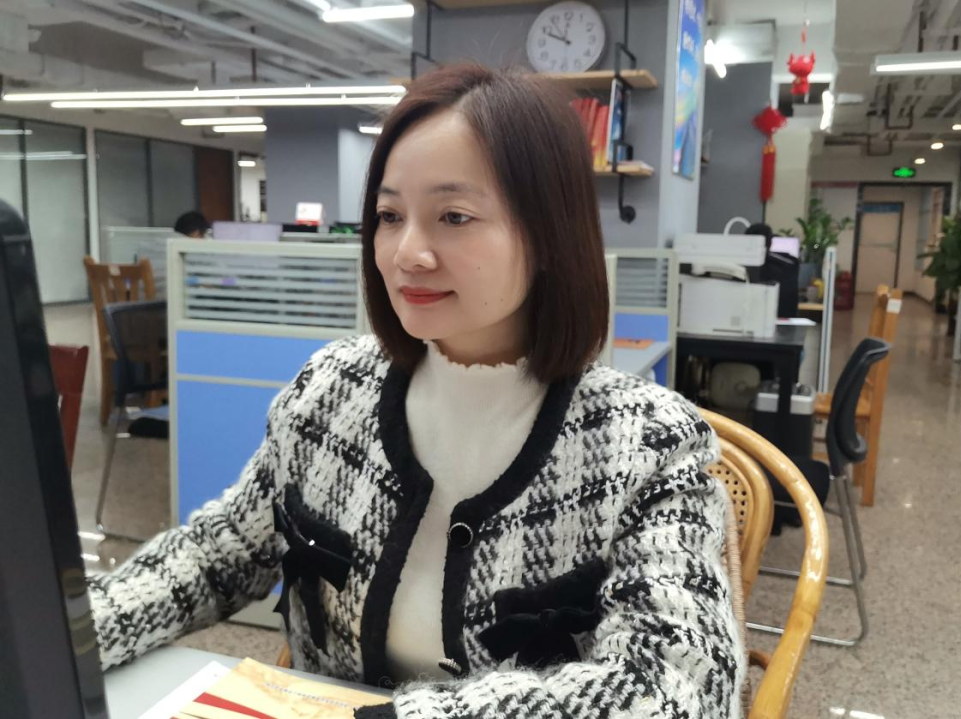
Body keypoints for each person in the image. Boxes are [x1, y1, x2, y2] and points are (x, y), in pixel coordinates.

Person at [88, 63, 744, 719]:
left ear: (550, 233)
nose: (407, 252)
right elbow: (216, 557)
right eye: (389, 215)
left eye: (454, 216)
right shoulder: (330, 392)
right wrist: (73, 630)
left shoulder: (644, 444)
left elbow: (678, 685)